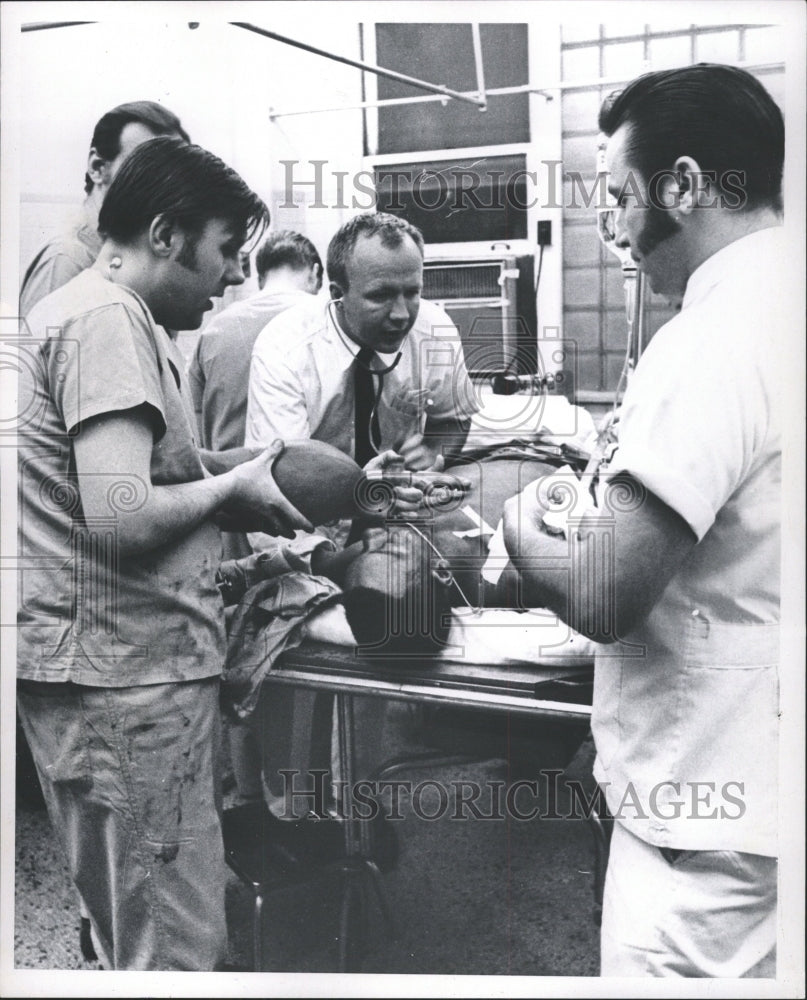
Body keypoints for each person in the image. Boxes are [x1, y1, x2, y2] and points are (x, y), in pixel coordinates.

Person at [502, 64, 785, 978]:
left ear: (685, 185)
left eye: (619, 196)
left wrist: (522, 530)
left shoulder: (710, 336)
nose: (611, 225)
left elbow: (606, 587)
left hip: (700, 836)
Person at [16, 136, 312, 971]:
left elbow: (127, 485)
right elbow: (120, 513)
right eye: (226, 251)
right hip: (125, 690)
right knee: (173, 953)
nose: (232, 277)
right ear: (166, 235)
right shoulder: (107, 319)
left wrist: (234, 476)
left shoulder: (81, 310)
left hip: (112, 680)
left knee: (137, 932)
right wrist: (232, 491)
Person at [187, 229, 323, 560]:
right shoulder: (329, 324)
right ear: (316, 272)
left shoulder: (214, 330)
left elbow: (196, 436)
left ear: (261, 276)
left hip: (230, 531)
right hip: (311, 531)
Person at [19, 100, 189, 317]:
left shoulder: (128, 257)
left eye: (172, 171)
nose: (162, 182)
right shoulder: (67, 260)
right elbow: (41, 350)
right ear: (97, 168)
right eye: (144, 166)